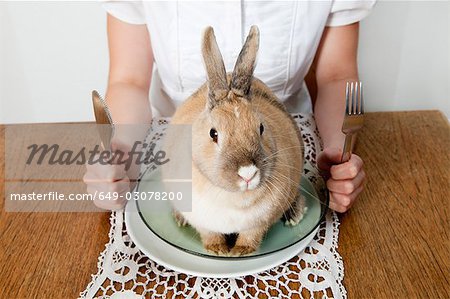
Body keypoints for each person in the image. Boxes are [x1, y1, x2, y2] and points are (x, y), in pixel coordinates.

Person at [84, 0, 375, 212]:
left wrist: (340, 153)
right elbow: (129, 81)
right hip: (177, 155)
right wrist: (120, 152)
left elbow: (339, 76)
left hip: (282, 153)